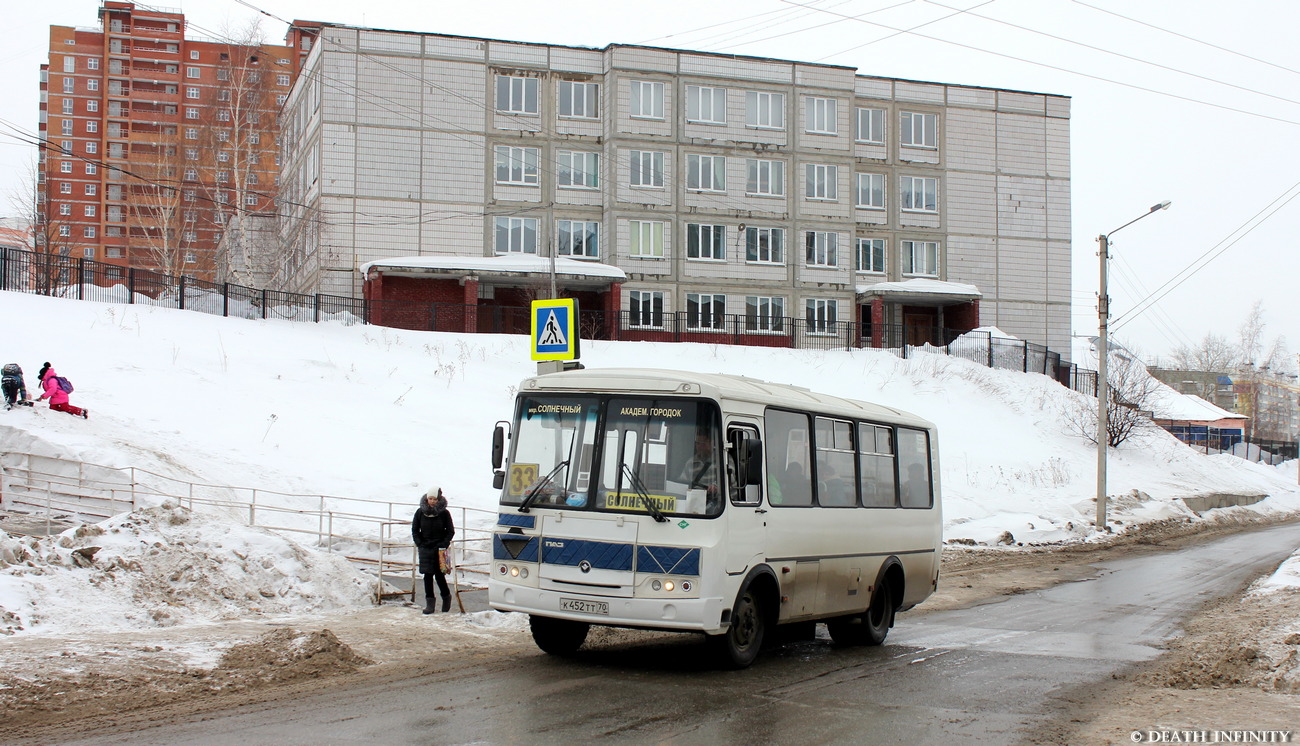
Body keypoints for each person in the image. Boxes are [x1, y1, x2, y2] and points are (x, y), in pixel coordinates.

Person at [411, 485, 455, 614]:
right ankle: (430, 603)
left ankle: (446, 598)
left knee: (439, 576)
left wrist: (443, 544)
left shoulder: (444, 513)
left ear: (438, 499)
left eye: (434, 499)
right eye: (430, 498)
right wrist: (420, 543)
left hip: (439, 549)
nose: (432, 501)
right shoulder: (420, 512)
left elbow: (450, 531)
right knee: (427, 576)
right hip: (425, 548)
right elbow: (415, 530)